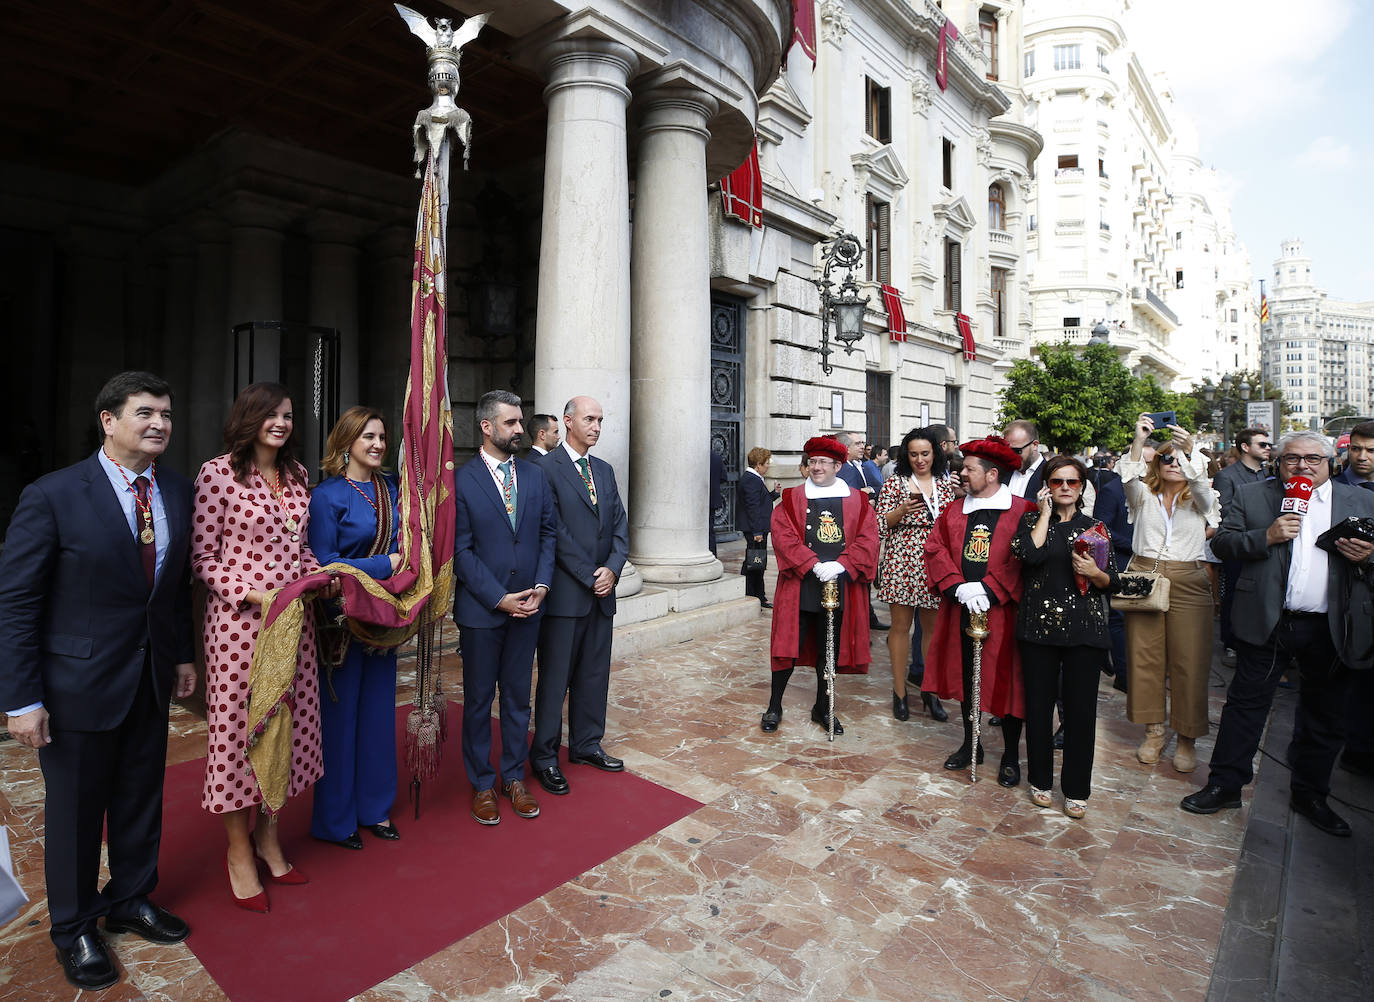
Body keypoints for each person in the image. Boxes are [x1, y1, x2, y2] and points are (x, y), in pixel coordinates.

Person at [0, 372, 195, 990]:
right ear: (108, 420)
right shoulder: (54, 494)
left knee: (141, 797)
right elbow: (17, 602)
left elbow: (171, 593)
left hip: (149, 677)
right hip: (76, 686)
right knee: (77, 814)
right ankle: (75, 927)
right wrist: (22, 700)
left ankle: (131, 898)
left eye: (166, 413)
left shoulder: (178, 493)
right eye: (145, 412)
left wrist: (182, 657)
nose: (160, 423)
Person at [1182, 431, 1374, 836]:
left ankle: (1311, 794)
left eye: (1312, 459)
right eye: (1292, 459)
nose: (1302, 466)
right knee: (1245, 706)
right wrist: (1265, 537)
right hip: (1268, 620)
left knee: (1324, 716)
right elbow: (1225, 545)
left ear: (1329, 463)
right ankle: (1225, 784)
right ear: (1278, 463)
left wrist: (1370, 558)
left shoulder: (1363, 501)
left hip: (1330, 626)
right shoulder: (1254, 496)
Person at [193, 382, 334, 912]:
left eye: (289, 415)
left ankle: (270, 836)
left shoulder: (298, 476)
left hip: (294, 625)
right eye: (271, 414)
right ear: (248, 418)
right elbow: (204, 560)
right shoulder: (218, 474)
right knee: (238, 734)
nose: (281, 422)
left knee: (288, 728)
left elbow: (301, 551)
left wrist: (322, 576)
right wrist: (258, 594)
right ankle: (237, 851)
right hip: (238, 630)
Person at [453, 391, 557, 825]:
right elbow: (460, 550)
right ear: (487, 427)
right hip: (483, 612)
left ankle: (513, 777)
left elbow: (549, 533)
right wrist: (498, 598)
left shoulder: (534, 477)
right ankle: (481, 784)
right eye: (511, 423)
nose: (520, 429)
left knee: (517, 700)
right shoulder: (460, 480)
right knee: (478, 701)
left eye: (520, 423)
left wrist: (541, 585)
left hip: (529, 607)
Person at [306, 407, 403, 848]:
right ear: (346, 442)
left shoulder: (393, 490)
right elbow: (323, 562)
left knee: (380, 715)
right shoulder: (327, 496)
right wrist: (385, 563)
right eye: (368, 436)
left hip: (385, 617)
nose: (378, 444)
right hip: (341, 623)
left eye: (382, 436)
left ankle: (375, 809)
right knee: (340, 720)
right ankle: (337, 820)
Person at [531, 396, 629, 796]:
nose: (597, 427)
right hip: (566, 595)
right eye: (590, 419)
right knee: (555, 680)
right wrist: (591, 573)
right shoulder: (544, 468)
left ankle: (587, 744)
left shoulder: (603, 471)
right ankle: (545, 756)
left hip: (601, 594)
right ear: (567, 421)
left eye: (601, 420)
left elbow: (620, 526)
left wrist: (613, 568)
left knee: (593, 675)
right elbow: (552, 530)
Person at [923, 436, 1035, 783]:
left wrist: (989, 588)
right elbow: (935, 548)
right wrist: (958, 585)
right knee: (966, 674)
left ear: (992, 475)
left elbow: (1025, 557)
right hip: (961, 607)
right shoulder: (955, 510)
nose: (962, 475)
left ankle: (1012, 755)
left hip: (1004, 611)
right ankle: (971, 742)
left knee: (1010, 681)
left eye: (969, 469)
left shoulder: (1023, 511)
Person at [1012, 456, 1119, 819]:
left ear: (1082, 487)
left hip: (1083, 632)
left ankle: (1076, 789)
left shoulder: (1096, 528)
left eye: (1072, 482)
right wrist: (1043, 513)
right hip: (1037, 630)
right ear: (1046, 486)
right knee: (1038, 710)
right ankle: (1040, 781)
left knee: (1080, 713)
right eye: (1057, 482)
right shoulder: (1031, 521)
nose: (1065, 488)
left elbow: (1112, 583)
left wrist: (1095, 572)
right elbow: (1028, 555)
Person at [1118, 413, 1215, 773]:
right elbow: (1128, 479)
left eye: (1179, 458)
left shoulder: (1202, 497)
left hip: (1188, 578)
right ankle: (1154, 730)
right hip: (1143, 573)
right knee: (1145, 658)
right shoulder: (1143, 494)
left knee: (1189, 660)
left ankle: (1187, 736)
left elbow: (1204, 493)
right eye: (1166, 457)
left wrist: (1191, 454)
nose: (1173, 463)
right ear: (1156, 463)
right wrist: (1140, 441)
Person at [762, 435, 879, 734]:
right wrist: (812, 563)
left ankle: (822, 707)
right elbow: (783, 534)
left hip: (839, 585)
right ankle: (774, 705)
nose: (816, 467)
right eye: (812, 461)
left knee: (829, 650)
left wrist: (842, 564)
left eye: (823, 462)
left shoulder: (858, 500)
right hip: (801, 584)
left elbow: (868, 537)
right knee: (786, 648)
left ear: (838, 466)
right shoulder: (790, 498)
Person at [875, 427, 956, 721]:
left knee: (932, 633)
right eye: (913, 454)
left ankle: (930, 692)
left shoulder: (945, 487)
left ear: (935, 453)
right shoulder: (895, 484)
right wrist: (900, 511)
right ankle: (899, 693)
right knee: (900, 628)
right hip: (901, 559)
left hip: (935, 561)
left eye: (925, 453)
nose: (920, 459)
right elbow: (878, 525)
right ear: (906, 456)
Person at [1212, 428, 1273, 659]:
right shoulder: (1227, 476)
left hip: (1265, 544)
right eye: (1262, 444)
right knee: (1235, 594)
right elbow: (1224, 512)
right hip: (1238, 544)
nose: (1268, 448)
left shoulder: (1268, 474)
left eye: (1268, 445)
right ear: (1245, 447)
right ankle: (1231, 642)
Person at [1336, 421, 1374, 776]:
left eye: (1371, 450)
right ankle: (1354, 749)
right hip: (1345, 602)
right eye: (1356, 449)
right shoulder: (1331, 488)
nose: (1362, 457)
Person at [736, 446, 780, 608]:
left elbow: (761, 502)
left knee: (754, 562)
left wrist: (774, 494)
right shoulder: (751, 479)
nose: (768, 466)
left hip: (758, 527)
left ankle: (752, 594)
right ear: (758, 464)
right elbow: (752, 507)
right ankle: (757, 596)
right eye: (766, 463)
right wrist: (757, 531)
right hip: (756, 529)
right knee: (756, 563)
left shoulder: (754, 478)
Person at [1003, 420, 1045, 499]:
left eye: (1017, 451)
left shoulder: (1050, 475)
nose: (1012, 455)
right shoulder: (1003, 472)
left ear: (1035, 445)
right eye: (1008, 451)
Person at [708, 446, 726, 556]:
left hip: (697, 500)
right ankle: (713, 555)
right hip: (712, 499)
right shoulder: (716, 457)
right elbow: (724, 477)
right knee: (710, 531)